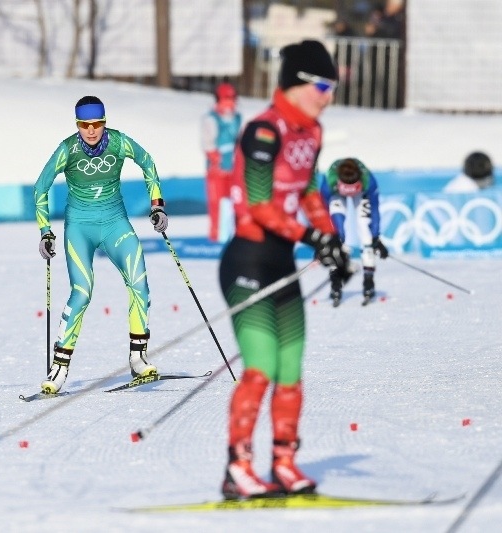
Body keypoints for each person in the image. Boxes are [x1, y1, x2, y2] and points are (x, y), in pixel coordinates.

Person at [218, 40, 353, 499]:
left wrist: (331, 239)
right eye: (322, 86)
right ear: (297, 83)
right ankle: (238, 468)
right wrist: (311, 237)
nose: (328, 96)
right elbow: (260, 206)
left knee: (290, 371)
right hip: (247, 260)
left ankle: (284, 463)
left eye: (333, 87)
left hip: (281, 262)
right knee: (261, 367)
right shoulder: (263, 131)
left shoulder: (311, 132)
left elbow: (309, 191)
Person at [34, 96, 168, 394]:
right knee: (81, 293)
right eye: (84, 125)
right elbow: (41, 186)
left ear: (104, 122)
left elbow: (147, 161)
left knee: (139, 283)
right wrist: (45, 231)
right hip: (80, 228)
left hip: (115, 224)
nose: (91, 130)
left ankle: (138, 358)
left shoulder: (119, 143)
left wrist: (157, 204)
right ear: (77, 124)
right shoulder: (67, 149)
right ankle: (59, 367)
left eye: (97, 124)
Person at [320, 157, 389, 305]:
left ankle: (368, 282)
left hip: (361, 194)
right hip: (336, 194)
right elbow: (322, 213)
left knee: (365, 230)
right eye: (347, 191)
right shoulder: (329, 181)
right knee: (337, 234)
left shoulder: (368, 181)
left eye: (353, 190)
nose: (350, 195)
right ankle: (336, 281)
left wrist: (375, 237)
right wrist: (324, 239)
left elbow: (374, 209)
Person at [201, 82, 242, 242]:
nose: (230, 102)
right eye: (227, 98)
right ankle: (217, 234)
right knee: (217, 203)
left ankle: (234, 232)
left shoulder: (237, 118)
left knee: (235, 201)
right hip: (217, 170)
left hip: (235, 167)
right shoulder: (212, 118)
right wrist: (217, 160)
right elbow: (208, 143)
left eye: (232, 98)